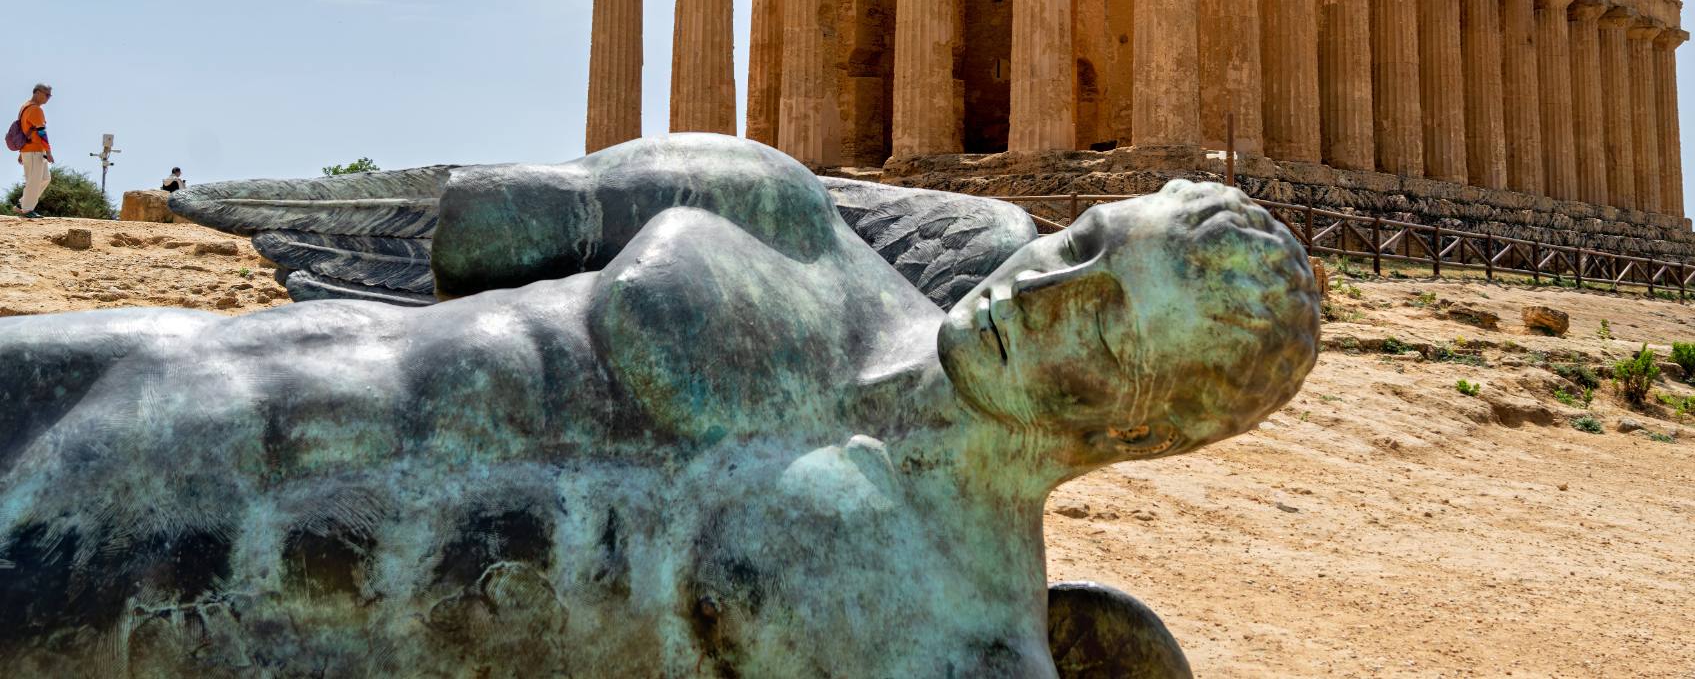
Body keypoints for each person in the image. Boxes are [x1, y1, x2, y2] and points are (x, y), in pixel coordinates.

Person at [0, 135, 1320, 676]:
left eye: (1106, 321)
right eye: (1083, 239)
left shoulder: (959, 645)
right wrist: (784, 182)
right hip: (150, 384)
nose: (1047, 292)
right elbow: (477, 227)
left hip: (177, 629)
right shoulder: (791, 223)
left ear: (1150, 426)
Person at [12, 84, 51, 218]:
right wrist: (49, 151)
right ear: (38, 93)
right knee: (34, 180)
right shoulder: (35, 109)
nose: (48, 98)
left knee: (45, 178)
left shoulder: (25, 107)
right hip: (34, 150)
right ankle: (27, 210)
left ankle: (22, 204)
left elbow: (25, 131)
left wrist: (21, 151)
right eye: (47, 94)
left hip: (30, 150)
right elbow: (41, 131)